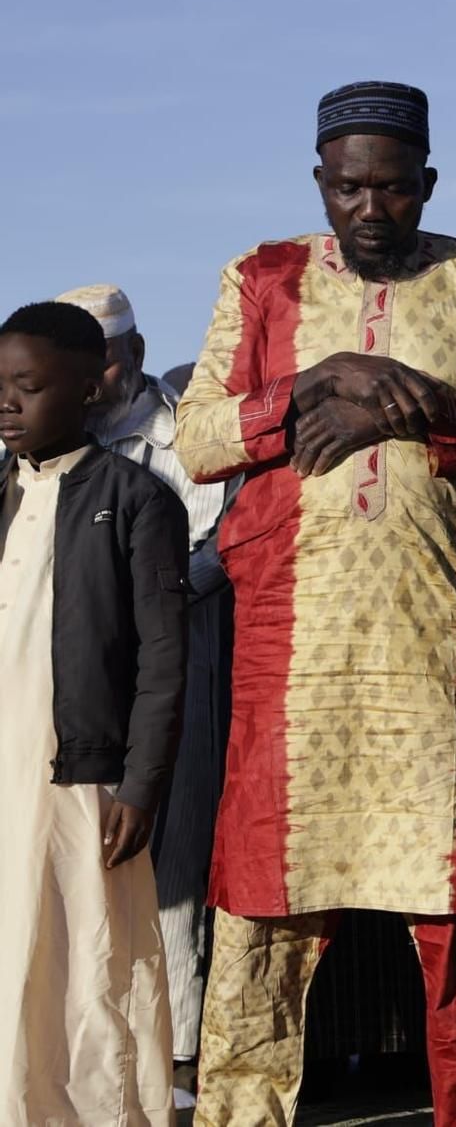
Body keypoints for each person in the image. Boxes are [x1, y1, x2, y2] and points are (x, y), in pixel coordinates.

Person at [176, 80, 456, 1126]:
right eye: (349, 189)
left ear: (426, 184)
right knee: (264, 902)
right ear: (320, 182)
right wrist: (315, 382)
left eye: (391, 190)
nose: (369, 211)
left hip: (440, 644)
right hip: (290, 655)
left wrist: (425, 402)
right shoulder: (260, 280)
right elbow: (200, 437)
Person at [0, 300, 188, 1126]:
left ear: (87, 387)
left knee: (89, 965)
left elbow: (162, 657)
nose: (6, 404)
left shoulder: (137, 497)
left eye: (27, 386)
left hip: (84, 774)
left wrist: (140, 784)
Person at [55, 282, 233, 1091]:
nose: (91, 382)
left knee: (175, 861)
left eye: (102, 362)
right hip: (78, 674)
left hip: (180, 655)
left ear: (132, 355)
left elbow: (218, 548)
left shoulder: (188, 432)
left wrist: (141, 604)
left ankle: (177, 1053)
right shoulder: (53, 445)